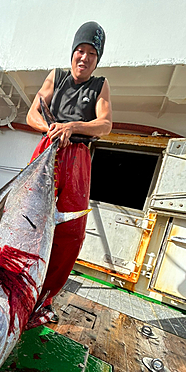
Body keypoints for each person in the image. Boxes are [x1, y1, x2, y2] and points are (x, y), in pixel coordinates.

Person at [26, 21, 112, 322]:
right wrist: (50, 129)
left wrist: (72, 126)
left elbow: (105, 124)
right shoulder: (56, 76)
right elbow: (32, 112)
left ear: (97, 59)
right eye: (80, 50)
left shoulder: (100, 85)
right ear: (72, 52)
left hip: (77, 156)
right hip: (46, 149)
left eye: (92, 53)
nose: (84, 57)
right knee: (27, 217)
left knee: (71, 233)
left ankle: (45, 298)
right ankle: (16, 282)